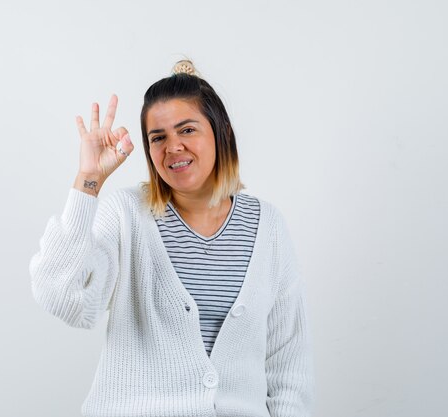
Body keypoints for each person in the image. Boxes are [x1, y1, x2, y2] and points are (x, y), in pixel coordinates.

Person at [29, 60, 314, 417]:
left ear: (221, 131)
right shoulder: (127, 214)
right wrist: (88, 181)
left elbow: (288, 363)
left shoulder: (267, 225)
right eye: (158, 137)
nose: (173, 147)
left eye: (187, 130)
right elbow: (66, 299)